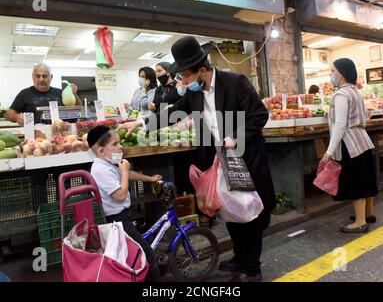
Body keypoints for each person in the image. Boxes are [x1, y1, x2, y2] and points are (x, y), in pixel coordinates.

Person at [120, 36, 276, 282]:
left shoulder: (235, 82)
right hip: (219, 161)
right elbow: (173, 113)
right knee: (229, 210)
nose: (182, 82)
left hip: (244, 158)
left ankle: (252, 267)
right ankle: (239, 258)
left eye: (186, 76)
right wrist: (140, 122)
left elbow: (259, 115)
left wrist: (235, 136)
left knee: (249, 213)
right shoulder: (194, 93)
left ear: (202, 70)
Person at [87, 125, 163, 281]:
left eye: (119, 142)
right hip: (118, 220)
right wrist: (125, 171)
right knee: (147, 254)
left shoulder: (107, 165)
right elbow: (120, 195)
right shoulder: (101, 170)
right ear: (101, 151)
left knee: (133, 255)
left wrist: (149, 179)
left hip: (122, 218)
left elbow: (127, 175)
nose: (120, 147)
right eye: (114, 144)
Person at [321, 58, 377, 233]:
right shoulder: (355, 92)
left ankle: (360, 222)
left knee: (356, 182)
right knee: (366, 178)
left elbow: (340, 125)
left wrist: (329, 150)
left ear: (342, 73)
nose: (331, 74)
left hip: (350, 144)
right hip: (363, 141)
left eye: (333, 71)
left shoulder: (341, 95)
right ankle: (368, 214)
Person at [6, 63, 81, 124]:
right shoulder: (24, 93)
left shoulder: (60, 92)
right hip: (34, 135)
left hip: (59, 133)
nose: (41, 79)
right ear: (33, 77)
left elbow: (77, 108)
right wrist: (17, 117)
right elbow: (9, 114)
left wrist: (74, 93)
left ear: (51, 77)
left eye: (44, 76)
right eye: (38, 76)